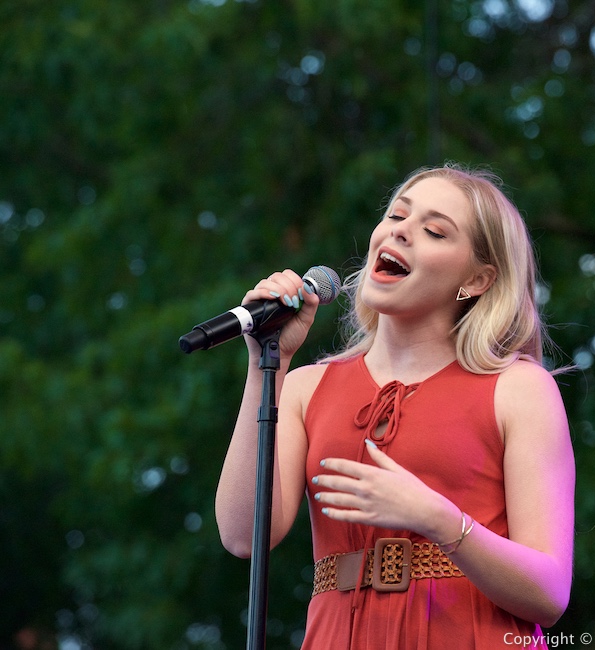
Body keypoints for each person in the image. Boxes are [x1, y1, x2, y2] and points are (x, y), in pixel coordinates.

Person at [215, 163, 575, 649]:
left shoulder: (518, 389)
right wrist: (266, 363)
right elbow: (243, 537)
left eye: (433, 231)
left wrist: (438, 519)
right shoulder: (304, 387)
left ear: (477, 280)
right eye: (396, 215)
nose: (401, 231)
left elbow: (549, 593)